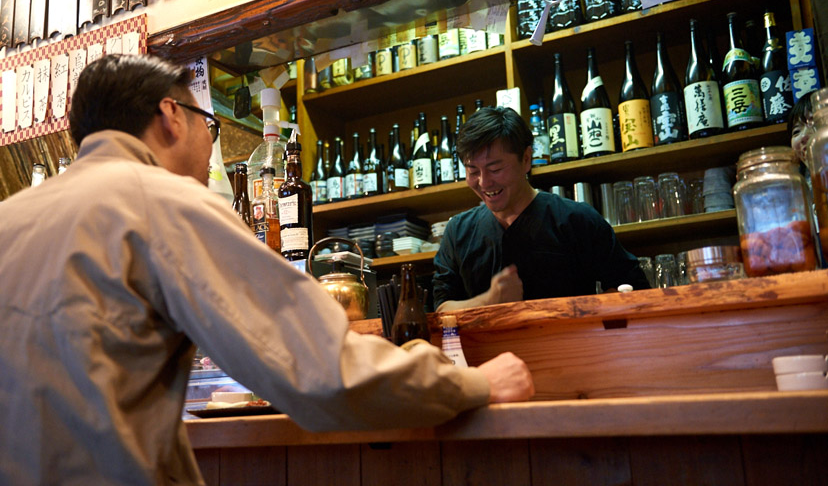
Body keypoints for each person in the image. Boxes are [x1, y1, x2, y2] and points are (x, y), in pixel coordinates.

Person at [0, 54, 534, 486]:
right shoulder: (162, 200)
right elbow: (321, 370)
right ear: (171, 116)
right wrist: (467, 385)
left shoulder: (10, 217)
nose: (211, 143)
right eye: (209, 124)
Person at [433, 106, 649, 312]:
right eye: (472, 171)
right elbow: (441, 310)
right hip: (486, 351)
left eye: (495, 169)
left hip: (571, 347)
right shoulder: (458, 231)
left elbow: (630, 286)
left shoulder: (577, 219)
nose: (483, 182)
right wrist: (489, 300)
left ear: (526, 159)